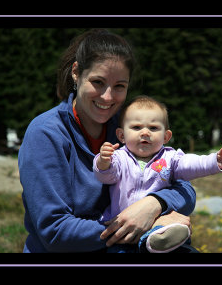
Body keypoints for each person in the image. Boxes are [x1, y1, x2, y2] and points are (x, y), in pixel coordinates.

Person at [18, 29, 197, 253]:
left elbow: (184, 189)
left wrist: (154, 204)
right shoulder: (46, 133)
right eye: (98, 82)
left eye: (119, 86)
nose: (108, 97)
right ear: (76, 72)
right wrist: (141, 226)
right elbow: (54, 232)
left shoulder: (127, 128)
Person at [94, 95, 222, 253]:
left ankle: (161, 240)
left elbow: (190, 164)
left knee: (164, 229)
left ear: (166, 136)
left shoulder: (170, 158)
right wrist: (103, 161)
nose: (145, 132)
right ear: (121, 136)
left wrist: (214, 162)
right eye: (136, 127)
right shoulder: (119, 157)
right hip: (122, 230)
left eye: (153, 128)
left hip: (156, 221)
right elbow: (106, 176)